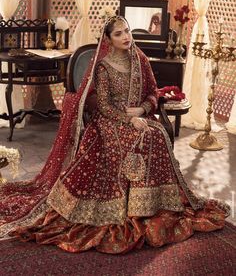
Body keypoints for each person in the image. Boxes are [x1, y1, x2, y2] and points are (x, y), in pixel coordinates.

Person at [0, 16, 229, 254]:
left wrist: (143, 110)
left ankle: (156, 202)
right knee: (135, 140)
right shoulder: (103, 67)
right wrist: (129, 118)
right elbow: (104, 106)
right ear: (108, 39)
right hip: (109, 121)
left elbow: (153, 92)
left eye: (127, 31)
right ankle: (128, 205)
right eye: (118, 33)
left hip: (140, 116)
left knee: (156, 135)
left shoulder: (140, 59)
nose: (126, 37)